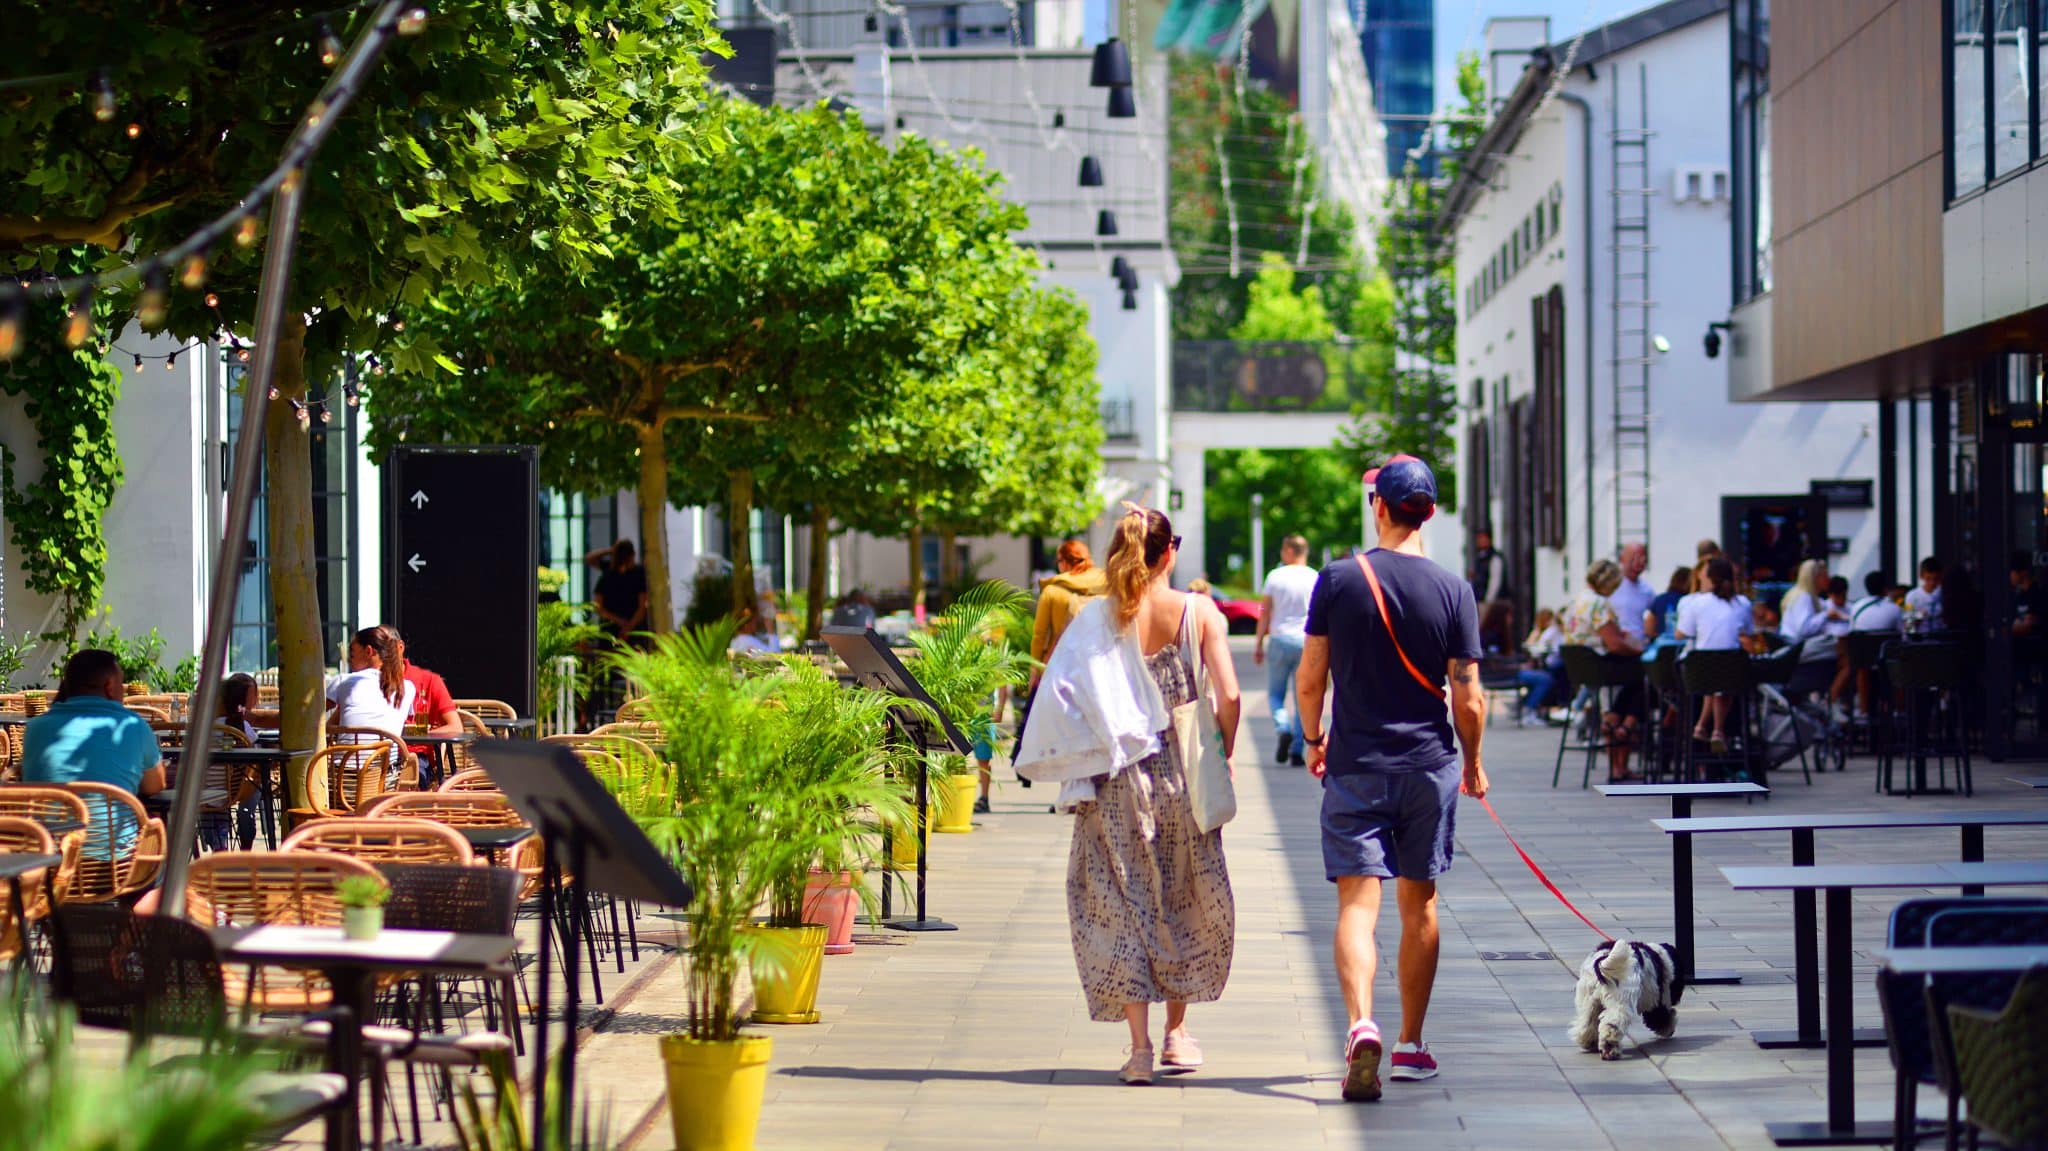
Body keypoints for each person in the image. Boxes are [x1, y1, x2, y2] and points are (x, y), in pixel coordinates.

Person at [1295, 455, 1487, 1102]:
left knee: (1357, 904)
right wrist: (1476, 763)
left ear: (1379, 505)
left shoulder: (1338, 579)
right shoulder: (1454, 590)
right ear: (1428, 512)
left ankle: (1360, 1022)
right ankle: (1409, 1042)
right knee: (1420, 904)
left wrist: (1314, 739)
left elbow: (1310, 675)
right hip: (1428, 767)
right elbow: (1469, 696)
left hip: (1355, 763)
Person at [1029, 506, 1239, 1086]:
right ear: (1170, 552)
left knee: (1122, 905)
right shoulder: (1198, 612)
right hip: (1183, 779)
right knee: (1185, 896)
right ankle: (1178, 1033)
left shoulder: (1098, 619)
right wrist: (1223, 756)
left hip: (1115, 783)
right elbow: (1230, 694)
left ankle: (1140, 1049)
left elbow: (1061, 692)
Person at [21, 649, 167, 800]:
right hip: (111, 823)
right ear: (109, 685)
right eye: (121, 683)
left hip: (40, 824)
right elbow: (154, 786)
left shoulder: (34, 728)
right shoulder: (132, 726)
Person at [1560, 558, 1646, 780]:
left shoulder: (1575, 602)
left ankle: (1614, 726)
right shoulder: (1598, 603)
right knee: (1643, 678)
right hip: (1601, 666)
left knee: (1630, 684)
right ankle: (1623, 726)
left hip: (1582, 669)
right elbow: (1614, 644)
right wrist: (1639, 650)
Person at [1675, 557, 1752, 753]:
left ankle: (1701, 726)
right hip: (1731, 672)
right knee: (1723, 682)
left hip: (1700, 673)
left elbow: (1681, 633)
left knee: (1713, 677)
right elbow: (1747, 631)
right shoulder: (1742, 603)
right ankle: (1717, 730)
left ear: (1709, 578)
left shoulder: (1697, 603)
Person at [1256, 534, 1319, 766]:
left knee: (1275, 694)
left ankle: (1282, 727)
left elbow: (1265, 613)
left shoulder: (1275, 576)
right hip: (1306, 642)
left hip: (1280, 640)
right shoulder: (1314, 577)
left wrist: (1259, 643)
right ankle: (1296, 750)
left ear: (1290, 551)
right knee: (1304, 696)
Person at [1030, 539, 1108, 687]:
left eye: (1058, 561)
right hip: (1098, 665)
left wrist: (1034, 670)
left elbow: (1039, 635)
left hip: (1061, 667)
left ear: (1065, 562)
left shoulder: (1052, 591)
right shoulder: (1108, 588)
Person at [326, 626, 415, 743]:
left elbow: (312, 715)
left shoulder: (342, 681)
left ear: (368, 651)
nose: (349, 660)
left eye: (352, 654)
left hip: (344, 761)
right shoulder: (407, 687)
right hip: (387, 760)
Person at [589, 539, 650, 644]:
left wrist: (623, 624)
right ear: (633, 555)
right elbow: (643, 605)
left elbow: (598, 606)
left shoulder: (609, 573)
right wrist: (627, 626)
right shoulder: (610, 572)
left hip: (616, 628)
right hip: (628, 629)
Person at [1610, 543, 1655, 643]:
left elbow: (1654, 615)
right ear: (1622, 559)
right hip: (1615, 645)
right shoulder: (1610, 586)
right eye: (1633, 559)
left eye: (1642, 559)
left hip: (1639, 644)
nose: (1638, 563)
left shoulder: (1647, 590)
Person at [1644, 566, 1694, 643]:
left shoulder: (1660, 600)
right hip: (1684, 645)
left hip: (1664, 647)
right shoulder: (1691, 601)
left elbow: (1648, 629)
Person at [1905, 556, 1944, 633]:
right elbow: (1908, 627)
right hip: (1921, 640)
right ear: (1921, 576)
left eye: (1936, 579)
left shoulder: (1944, 594)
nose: (1932, 583)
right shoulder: (1911, 596)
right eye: (1928, 578)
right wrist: (1919, 615)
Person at [1467, 528, 1505, 606]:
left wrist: (1488, 601)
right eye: (1479, 539)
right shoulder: (1479, 558)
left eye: (1483, 539)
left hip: (1490, 603)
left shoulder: (1494, 558)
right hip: (1479, 600)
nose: (1481, 541)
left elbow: (1495, 581)